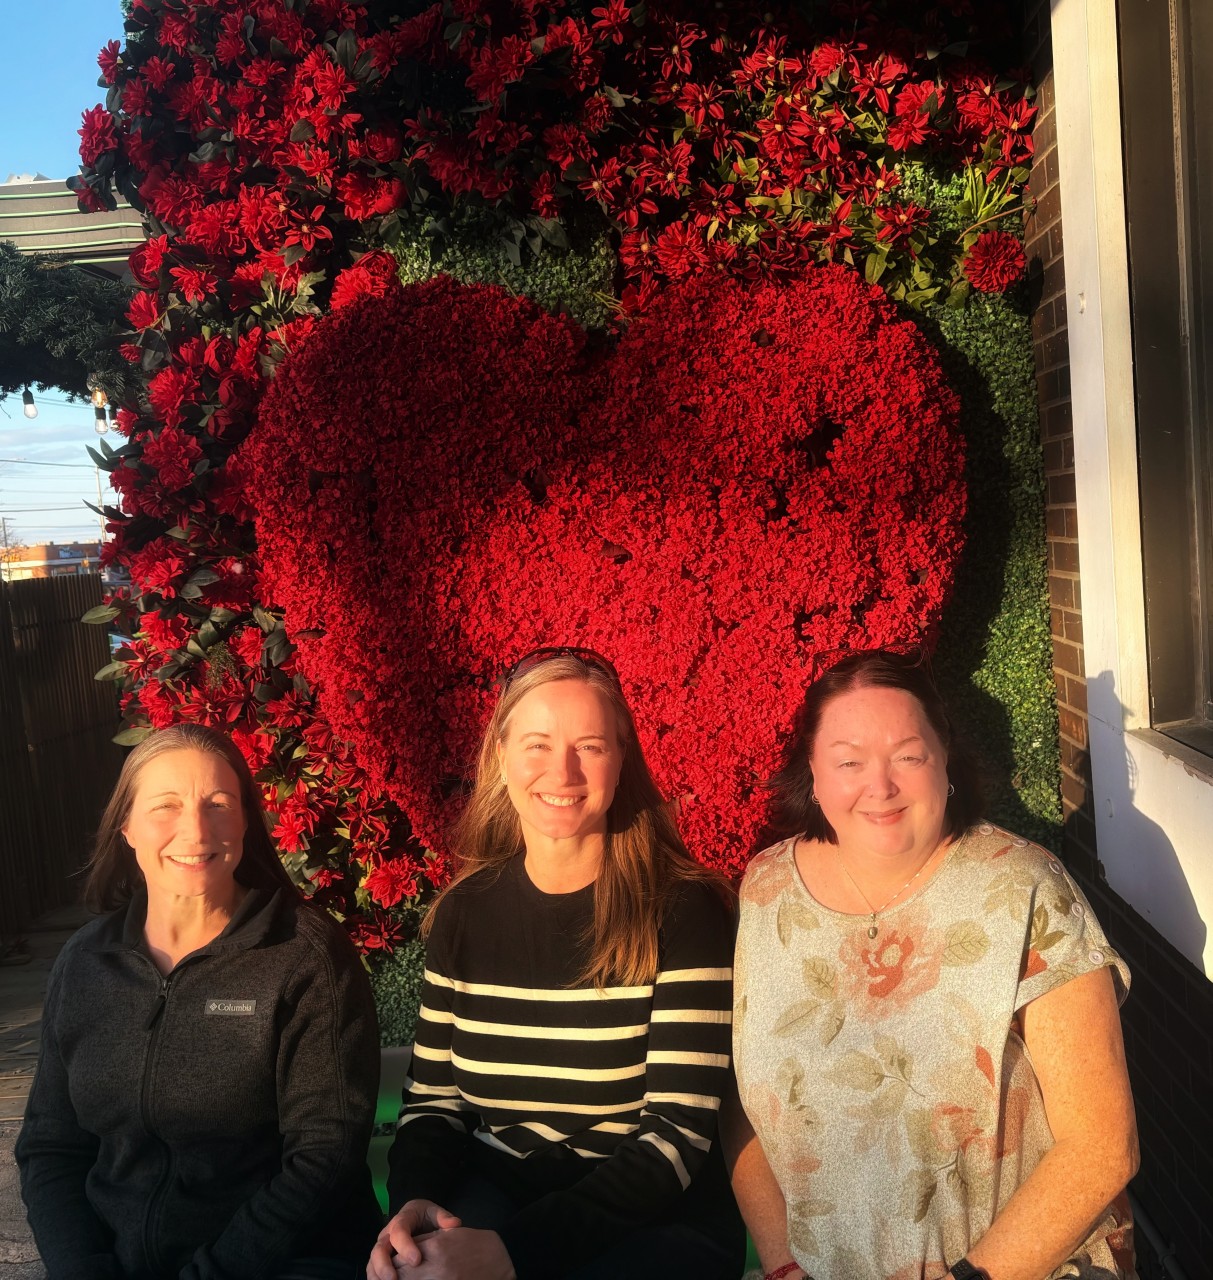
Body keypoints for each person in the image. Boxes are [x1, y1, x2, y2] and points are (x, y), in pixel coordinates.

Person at [726, 650, 1139, 1280]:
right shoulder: (766, 891)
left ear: (945, 760)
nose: (880, 786)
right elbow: (741, 1096)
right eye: (849, 761)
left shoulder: (1024, 890)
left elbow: (1102, 1147)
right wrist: (783, 1263)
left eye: (908, 756)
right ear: (813, 773)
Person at [368, 648, 745, 1280]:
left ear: (621, 758)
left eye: (589, 747)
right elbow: (434, 1102)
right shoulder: (465, 912)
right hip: (496, 1194)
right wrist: (415, 1204)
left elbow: (676, 1133)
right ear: (502, 757)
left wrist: (515, 1252)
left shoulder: (684, 909)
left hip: (650, 1220)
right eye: (537, 745)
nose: (562, 771)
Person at [17, 723, 382, 1280]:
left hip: (282, 1262)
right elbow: (51, 1147)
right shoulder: (85, 962)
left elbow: (324, 1156)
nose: (195, 829)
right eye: (165, 806)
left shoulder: (305, 956)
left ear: (245, 822)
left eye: (218, 804)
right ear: (126, 826)